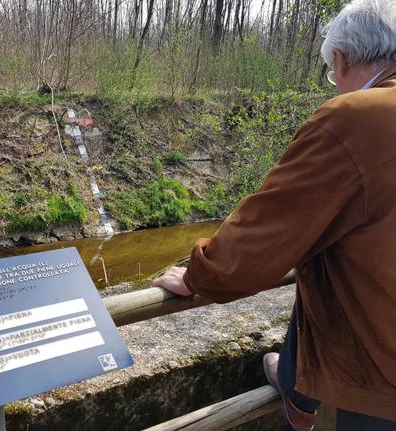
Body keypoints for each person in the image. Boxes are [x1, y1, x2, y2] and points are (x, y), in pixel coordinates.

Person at [151, 1, 396, 430]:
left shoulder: (357, 117)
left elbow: (265, 234)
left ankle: (299, 398)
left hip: (380, 379)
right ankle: (296, 386)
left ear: (340, 61)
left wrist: (196, 275)